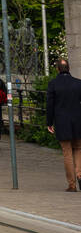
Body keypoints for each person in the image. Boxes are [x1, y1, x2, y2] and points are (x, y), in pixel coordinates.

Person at [46, 58, 81, 192]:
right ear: (69, 68)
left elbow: (50, 105)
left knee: (67, 152)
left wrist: (49, 122)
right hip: (78, 121)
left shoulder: (53, 84)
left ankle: (72, 184)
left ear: (57, 69)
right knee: (78, 148)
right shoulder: (78, 83)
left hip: (62, 122)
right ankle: (80, 174)